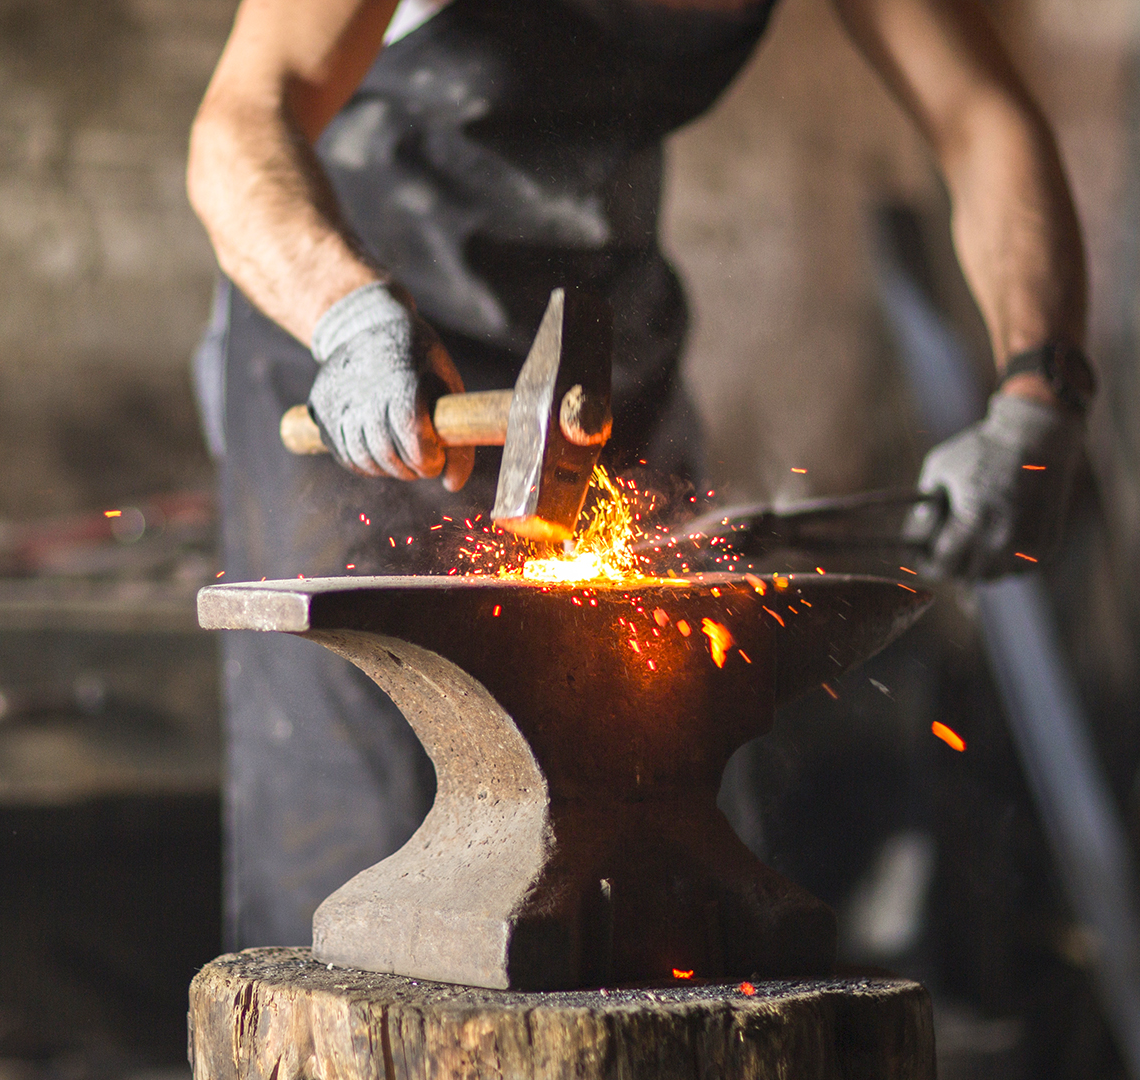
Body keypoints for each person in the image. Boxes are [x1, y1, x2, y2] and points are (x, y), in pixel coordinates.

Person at [186, 0, 1092, 947]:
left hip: (596, 372)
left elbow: (982, 118)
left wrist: (1042, 387)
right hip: (355, 369)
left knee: (653, 812)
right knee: (364, 849)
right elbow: (241, 120)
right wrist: (349, 319)